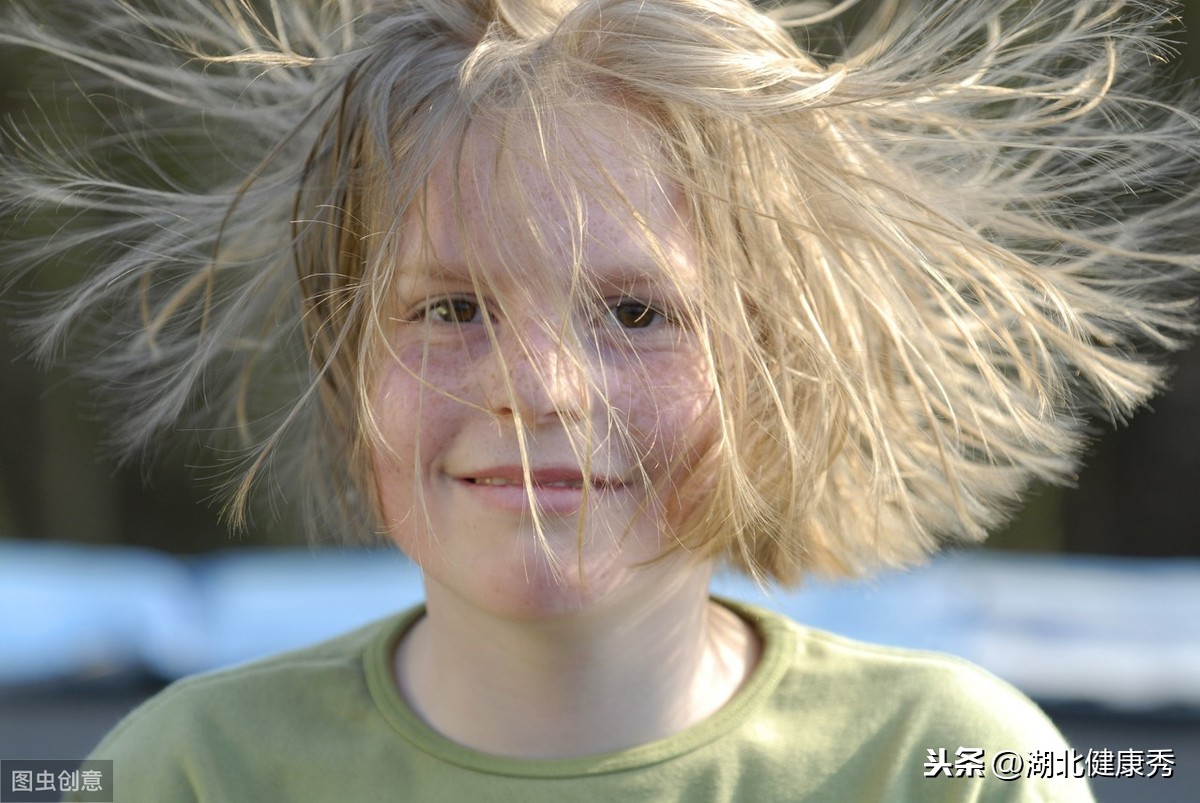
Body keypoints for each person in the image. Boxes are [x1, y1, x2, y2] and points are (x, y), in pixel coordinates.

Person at [2, 0, 1196, 799]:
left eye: (637, 313)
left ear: (777, 367)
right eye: (452, 309)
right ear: (349, 357)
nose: (539, 387)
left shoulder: (947, 766)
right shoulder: (191, 772)